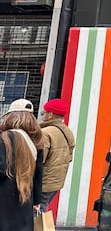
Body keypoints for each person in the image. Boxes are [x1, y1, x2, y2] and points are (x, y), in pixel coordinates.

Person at [0, 98, 44, 231]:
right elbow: (39, 173)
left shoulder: (4, 138)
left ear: (10, 117)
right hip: (25, 198)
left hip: (4, 200)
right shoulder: (36, 141)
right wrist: (37, 200)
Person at [39, 98, 76, 212]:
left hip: (43, 182)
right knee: (42, 209)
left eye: (43, 113)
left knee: (35, 213)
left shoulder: (45, 133)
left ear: (50, 115)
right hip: (56, 182)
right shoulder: (68, 132)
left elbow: (39, 160)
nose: (42, 116)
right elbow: (69, 157)